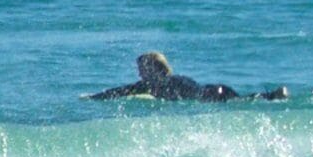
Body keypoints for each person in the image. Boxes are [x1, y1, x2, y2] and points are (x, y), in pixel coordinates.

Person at [89, 52, 284, 103]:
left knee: (240, 101)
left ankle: (271, 96)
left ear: (154, 70)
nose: (140, 74)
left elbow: (122, 90)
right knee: (242, 100)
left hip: (206, 96)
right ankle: (273, 96)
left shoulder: (155, 84)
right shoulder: (176, 78)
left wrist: (94, 97)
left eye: (143, 69)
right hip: (216, 89)